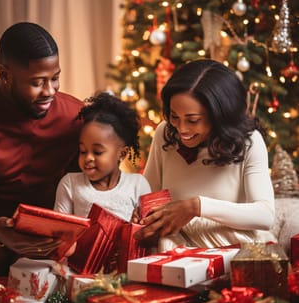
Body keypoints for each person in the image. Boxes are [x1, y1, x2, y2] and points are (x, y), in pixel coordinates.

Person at [0, 22, 83, 275]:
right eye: (37, 82)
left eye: (55, 78)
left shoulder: (76, 117)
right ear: (6, 75)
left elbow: (93, 190)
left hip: (53, 242)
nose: (50, 91)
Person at [134, 59, 277, 249]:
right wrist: (143, 213)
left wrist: (196, 207)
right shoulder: (165, 133)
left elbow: (265, 215)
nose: (182, 129)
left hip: (232, 247)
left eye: (193, 120)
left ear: (220, 115)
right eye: (174, 116)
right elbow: (149, 193)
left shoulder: (249, 141)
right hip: (177, 247)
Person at [54, 92, 151, 222]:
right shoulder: (70, 184)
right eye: (83, 151)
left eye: (97, 152)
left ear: (122, 153)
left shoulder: (137, 184)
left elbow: (149, 233)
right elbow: (59, 231)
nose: (88, 158)